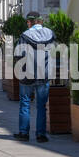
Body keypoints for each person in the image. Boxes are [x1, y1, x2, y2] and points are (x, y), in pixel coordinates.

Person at [14, 12, 55, 143]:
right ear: (40, 21)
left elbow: (18, 55)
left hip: (28, 75)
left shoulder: (25, 36)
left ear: (30, 22)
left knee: (25, 103)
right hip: (44, 74)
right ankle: (41, 135)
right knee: (42, 105)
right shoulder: (50, 34)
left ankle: (24, 133)